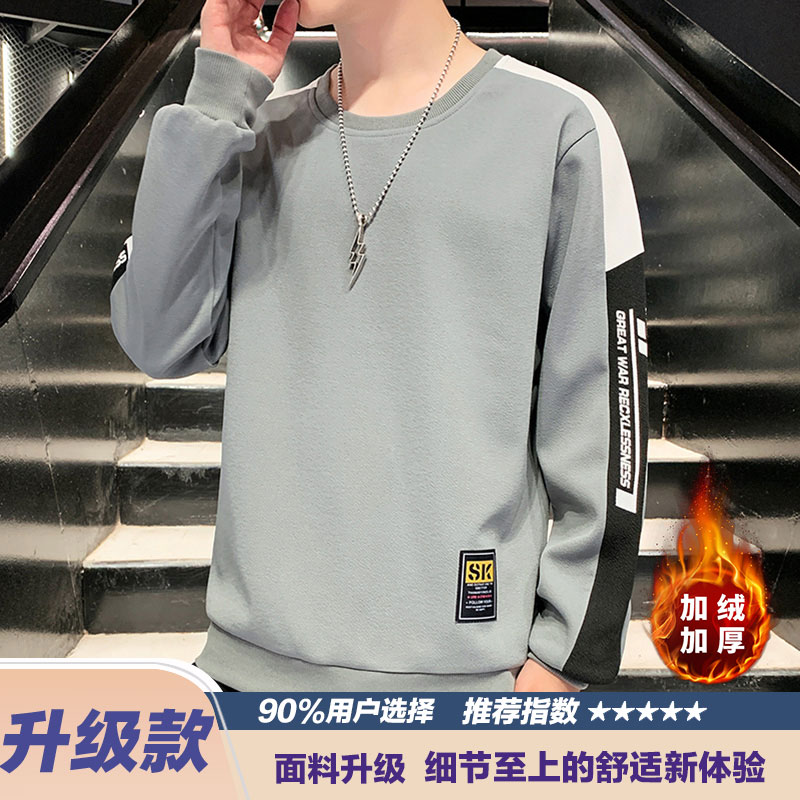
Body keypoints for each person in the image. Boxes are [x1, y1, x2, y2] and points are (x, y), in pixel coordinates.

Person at [110, 0, 649, 692]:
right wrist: (217, 90)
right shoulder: (254, 136)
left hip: (461, 685)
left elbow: (606, 419)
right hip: (246, 673)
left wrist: (561, 666)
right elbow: (157, 338)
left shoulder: (558, 127)